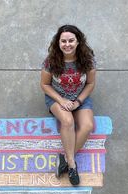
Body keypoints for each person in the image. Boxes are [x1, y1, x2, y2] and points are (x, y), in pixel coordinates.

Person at [40, 24, 96, 185]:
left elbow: (90, 84)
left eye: (71, 40)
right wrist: (61, 100)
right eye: (63, 41)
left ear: (78, 41)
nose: (67, 44)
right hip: (57, 98)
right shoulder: (51, 61)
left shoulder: (88, 60)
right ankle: (72, 165)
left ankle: (64, 158)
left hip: (80, 97)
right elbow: (45, 85)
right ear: (58, 43)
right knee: (68, 121)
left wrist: (78, 101)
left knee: (87, 126)